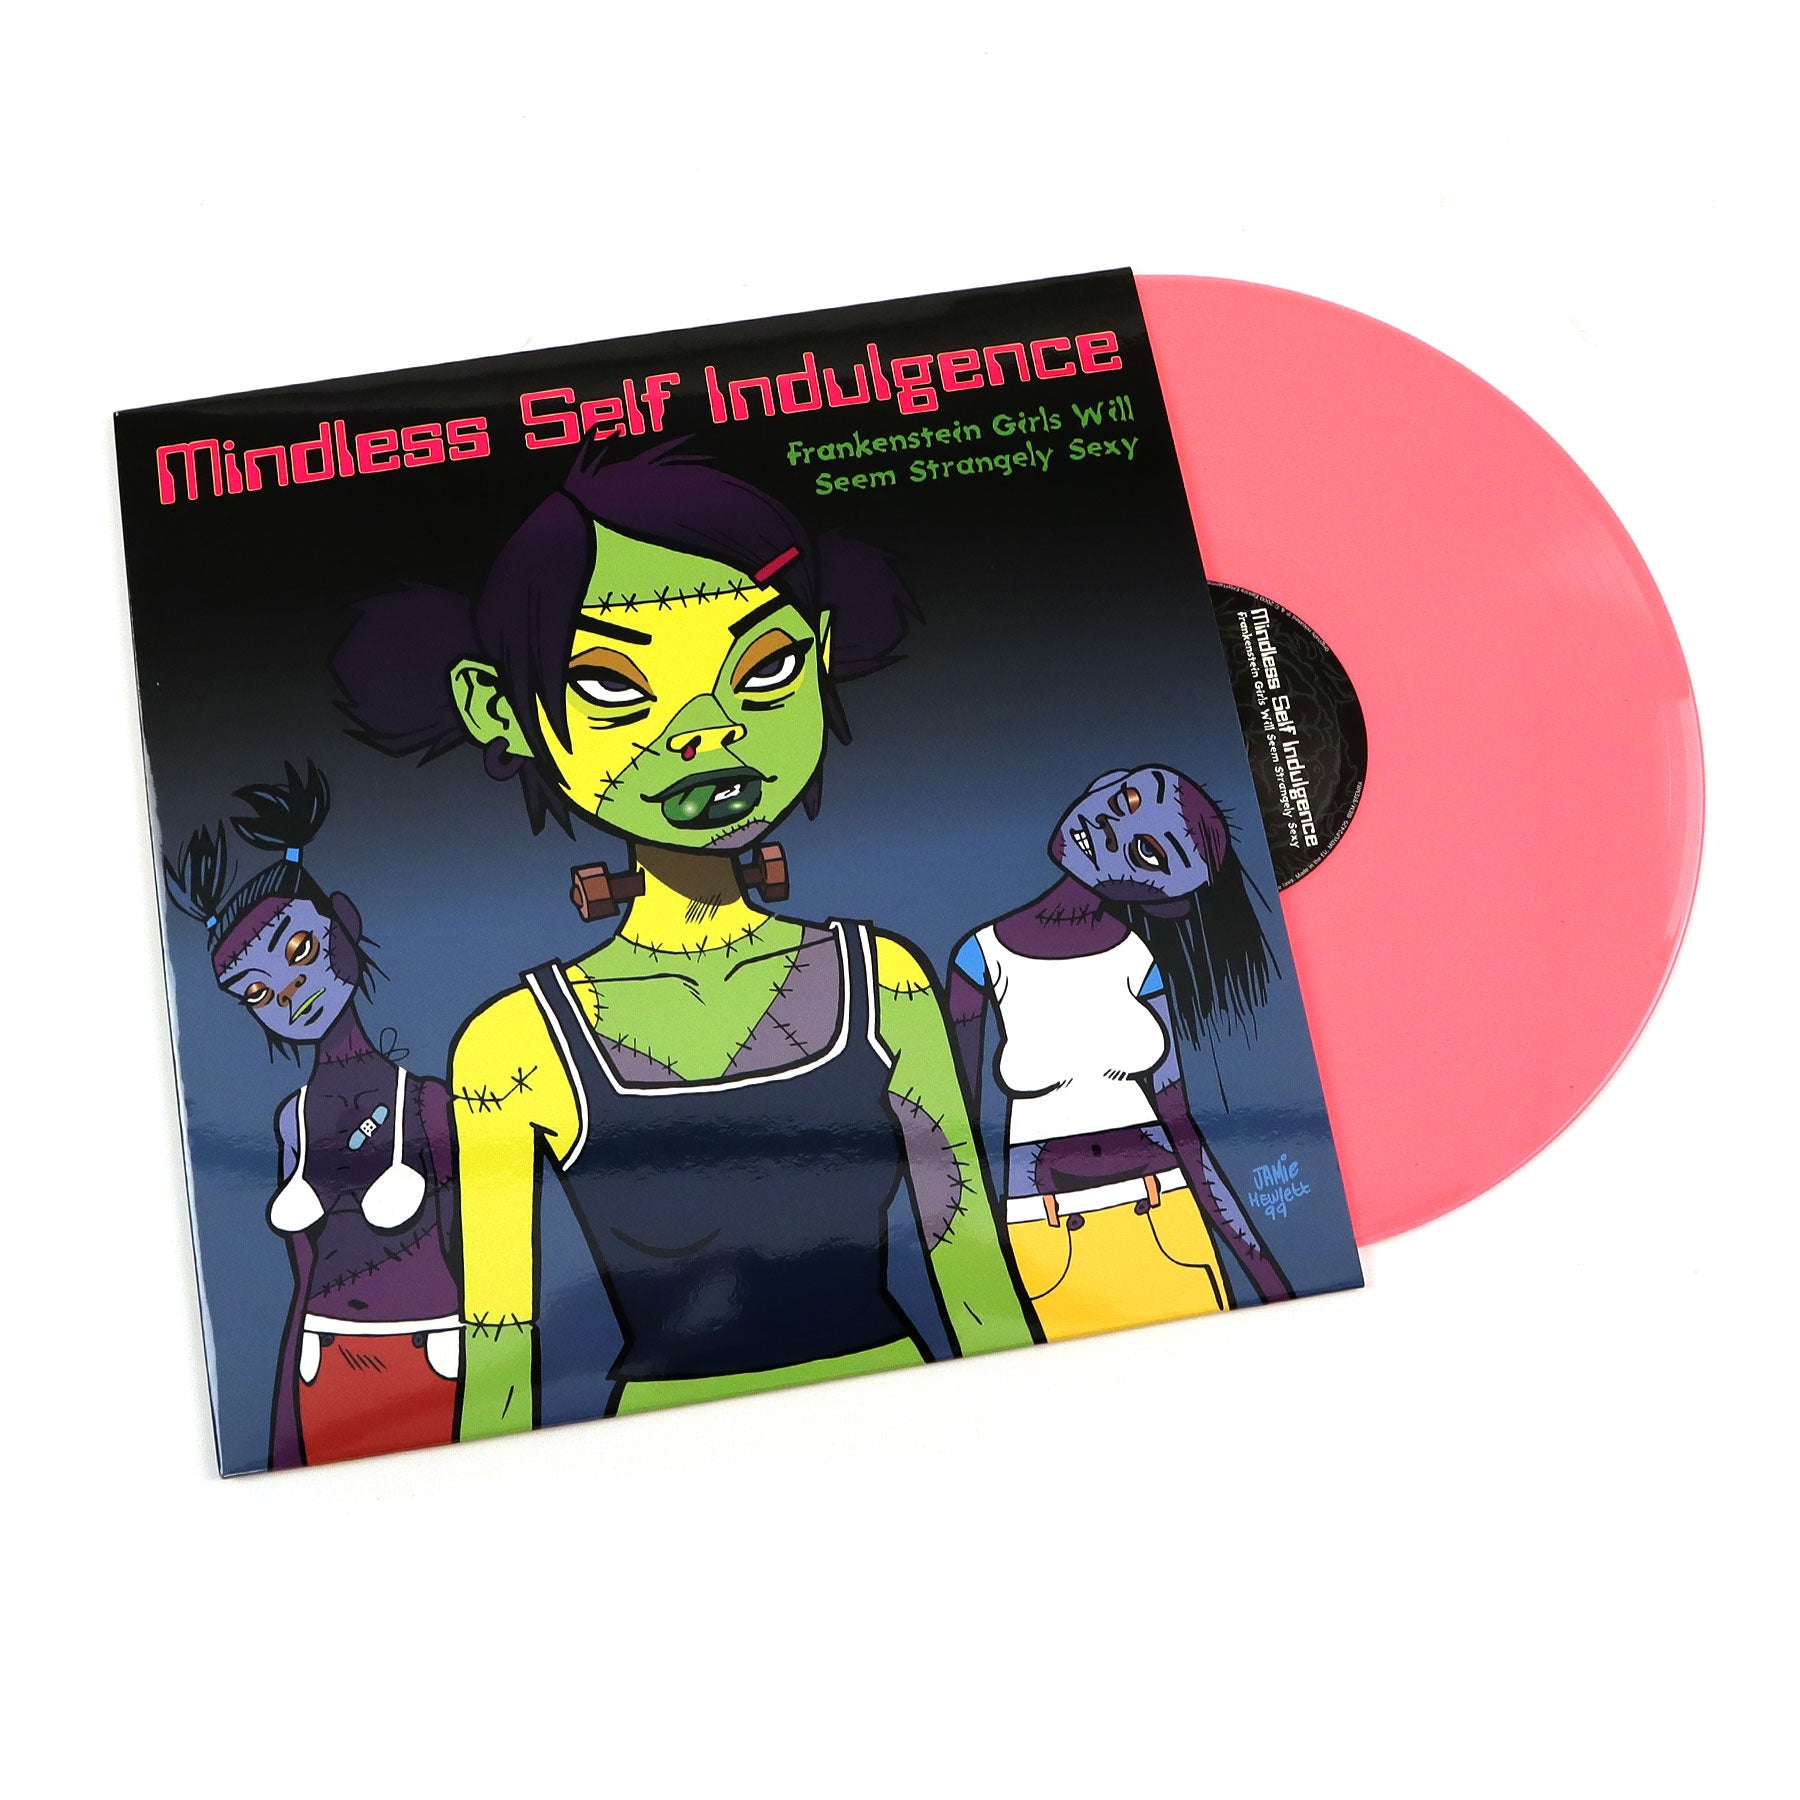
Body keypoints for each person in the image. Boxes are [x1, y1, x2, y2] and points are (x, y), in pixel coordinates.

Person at [331, 439, 1034, 1436]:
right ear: (501, 710)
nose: (709, 728)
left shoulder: (884, 981)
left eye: (766, 668)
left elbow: (974, 1279)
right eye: (612, 685)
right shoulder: (513, 1045)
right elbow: (501, 1355)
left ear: (820, 654)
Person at [164, 763, 459, 1467]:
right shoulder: (290, 1120)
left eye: (299, 951)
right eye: (256, 992)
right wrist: (279, 1427)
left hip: (435, 1348)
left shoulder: (426, 1100)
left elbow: (469, 1234)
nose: (290, 993)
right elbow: (300, 1271)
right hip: (323, 1356)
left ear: (344, 924)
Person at [948, 764, 1293, 1342]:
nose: (1114, 828)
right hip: (1045, 1231)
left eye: (1149, 855)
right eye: (1130, 798)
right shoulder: (979, 957)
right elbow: (955, 1128)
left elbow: (1180, 1124)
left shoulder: (1140, 961)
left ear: (1164, 903)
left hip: (1168, 1214)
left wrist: (1271, 1283)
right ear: (1103, 782)